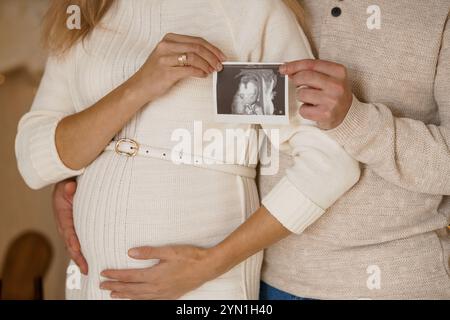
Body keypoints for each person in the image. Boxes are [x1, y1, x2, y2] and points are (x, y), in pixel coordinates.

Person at [51, 0, 450, 300]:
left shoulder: (436, 11)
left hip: (396, 283)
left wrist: (356, 120)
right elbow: (220, 112)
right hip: (268, 283)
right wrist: (92, 174)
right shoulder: (259, 6)